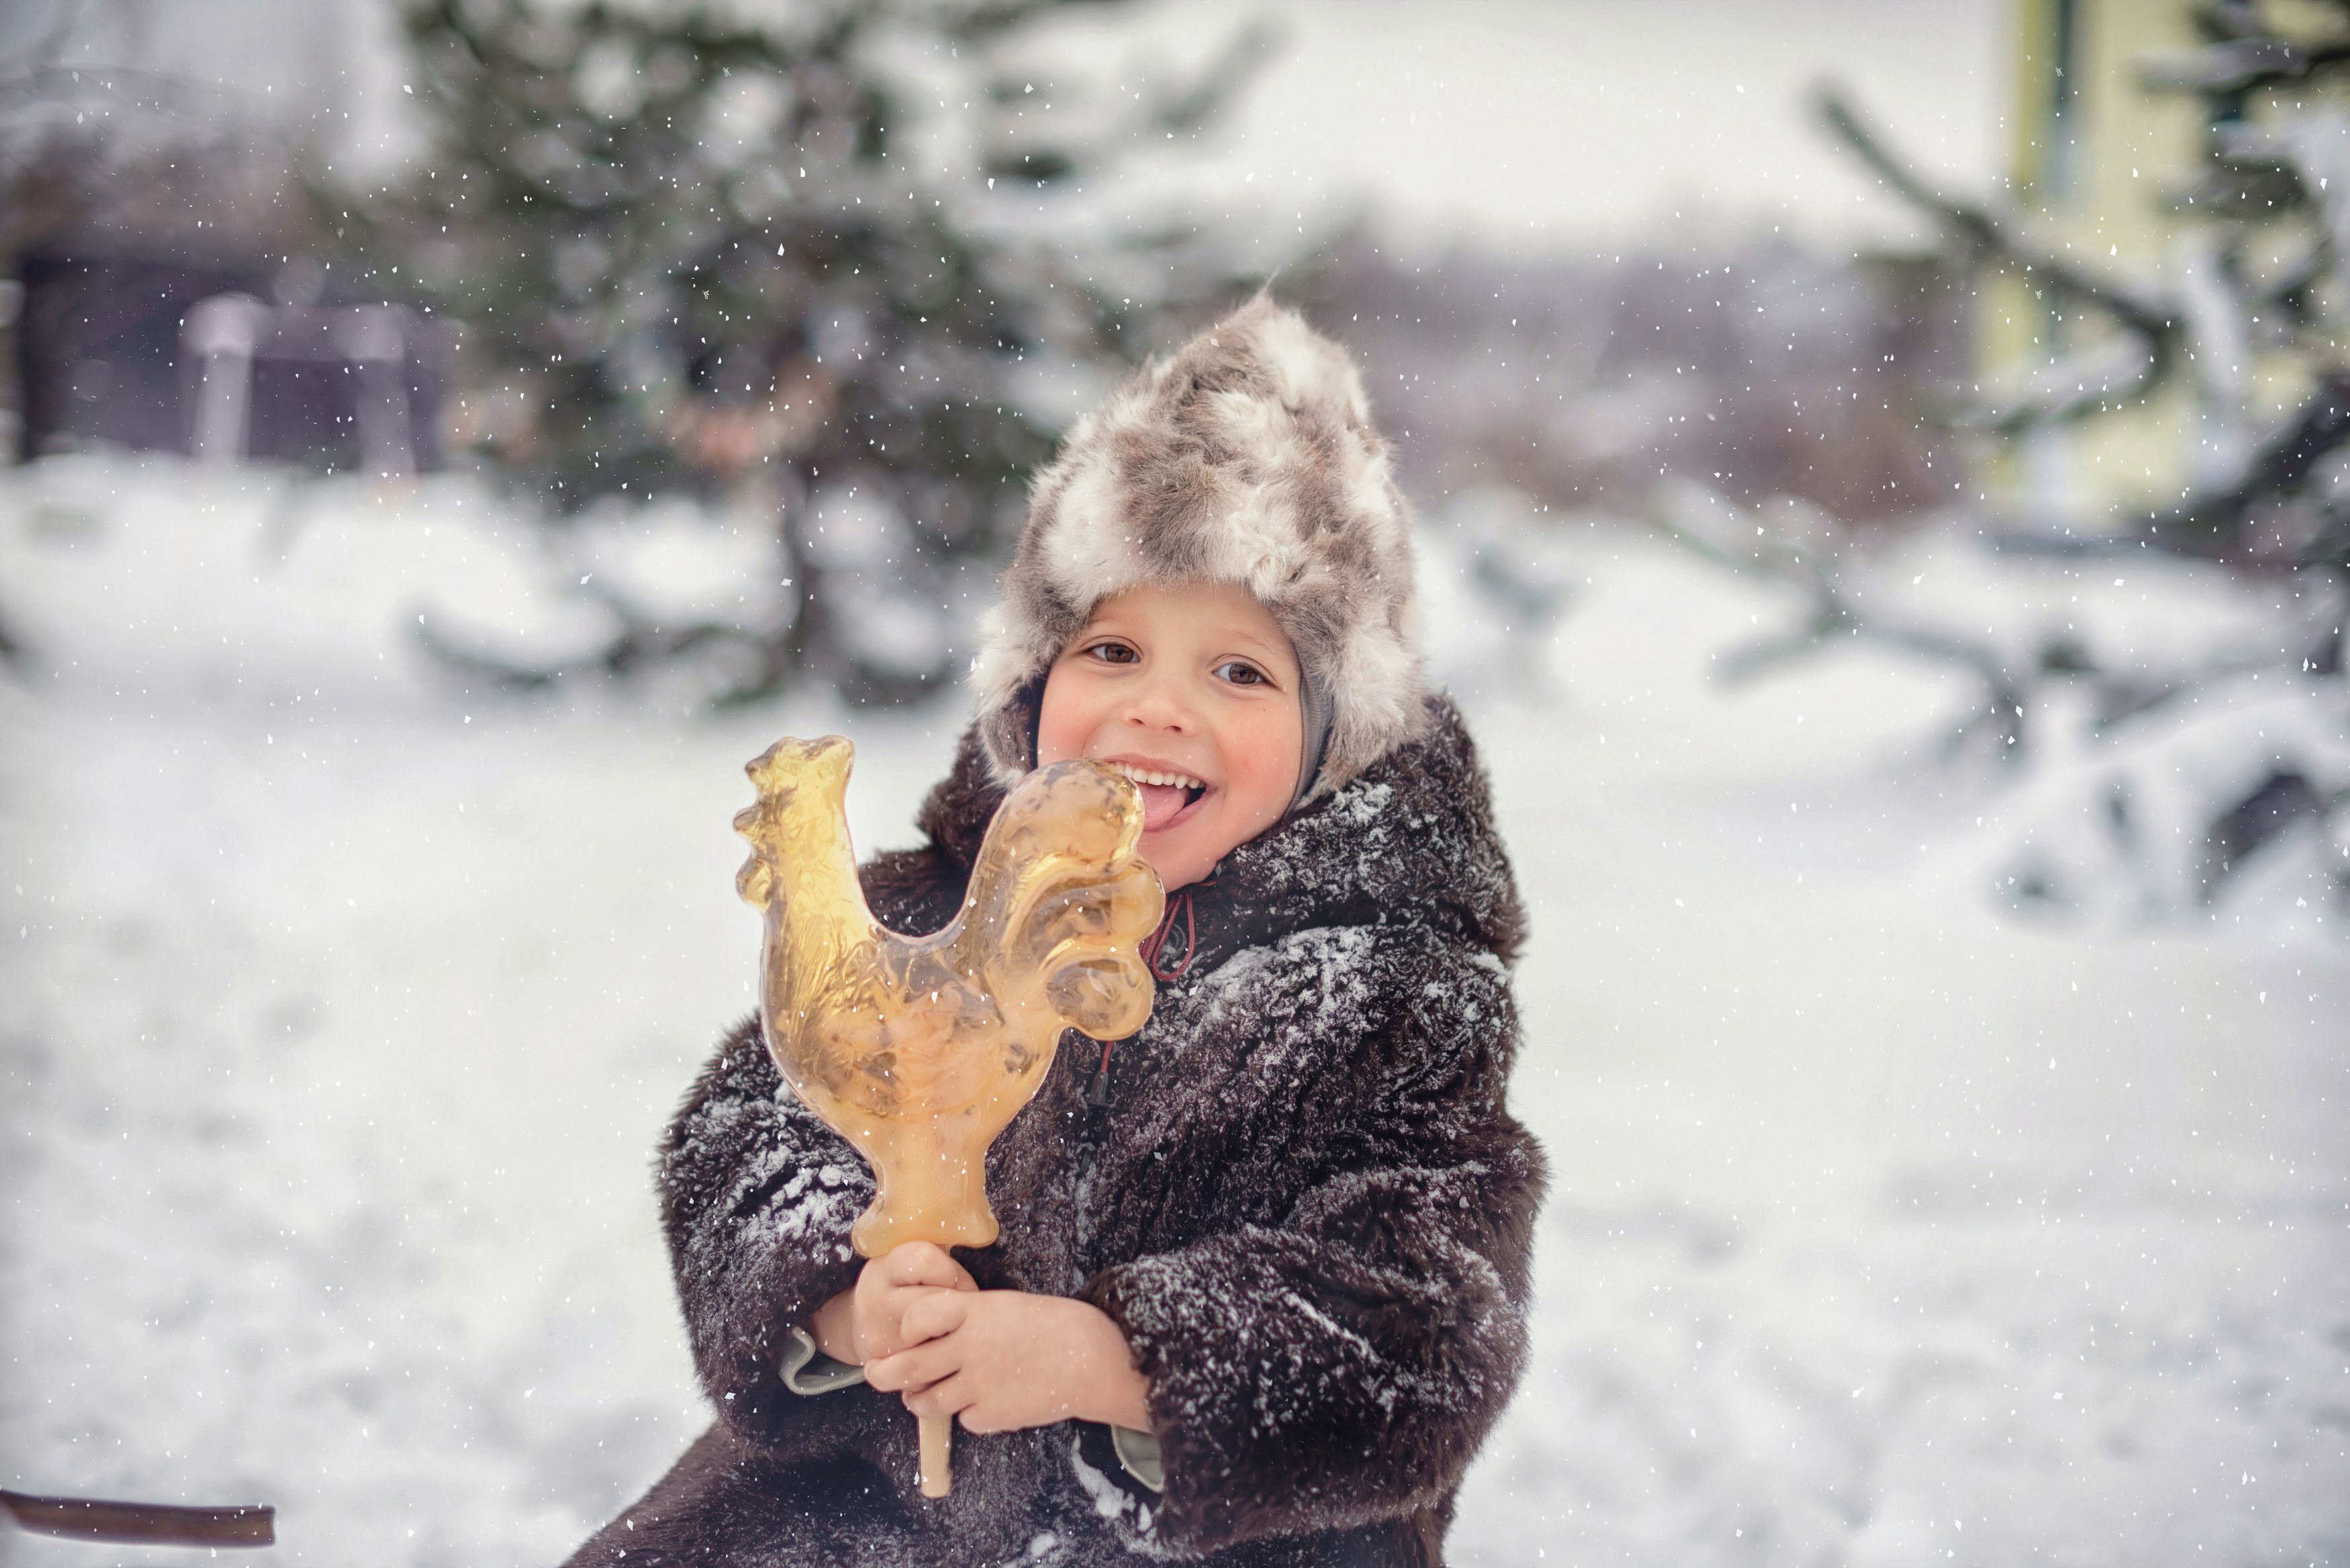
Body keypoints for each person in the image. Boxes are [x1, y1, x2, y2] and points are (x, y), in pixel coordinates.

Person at [564, 297, 1545, 1567]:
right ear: (1035, 689)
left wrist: (1111, 1359)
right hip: (880, 1508)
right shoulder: (923, 911)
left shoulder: (1395, 994)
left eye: (1240, 671)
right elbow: (746, 1138)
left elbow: (1430, 1323)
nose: (1159, 709)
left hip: (1210, 1535)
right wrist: (846, 1305)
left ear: (1334, 741)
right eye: (1116, 648)